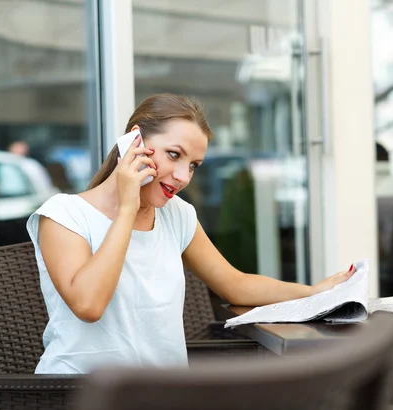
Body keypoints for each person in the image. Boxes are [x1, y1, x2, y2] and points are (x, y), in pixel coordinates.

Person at [26, 93, 356, 374]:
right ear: (134, 141)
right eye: (174, 154)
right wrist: (127, 209)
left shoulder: (178, 215)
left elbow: (234, 285)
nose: (184, 176)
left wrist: (314, 292)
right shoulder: (63, 215)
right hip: (76, 394)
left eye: (194, 165)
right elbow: (89, 305)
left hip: (163, 395)